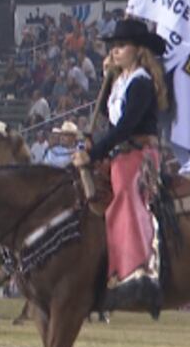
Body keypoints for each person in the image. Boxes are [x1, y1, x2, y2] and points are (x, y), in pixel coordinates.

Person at [72, 19, 168, 316]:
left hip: (139, 152)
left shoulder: (141, 81)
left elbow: (125, 127)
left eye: (120, 46)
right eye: (112, 47)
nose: (114, 51)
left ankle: (137, 271)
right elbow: (109, 117)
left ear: (138, 51)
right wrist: (106, 78)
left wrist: (95, 152)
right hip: (119, 150)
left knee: (125, 191)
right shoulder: (120, 82)